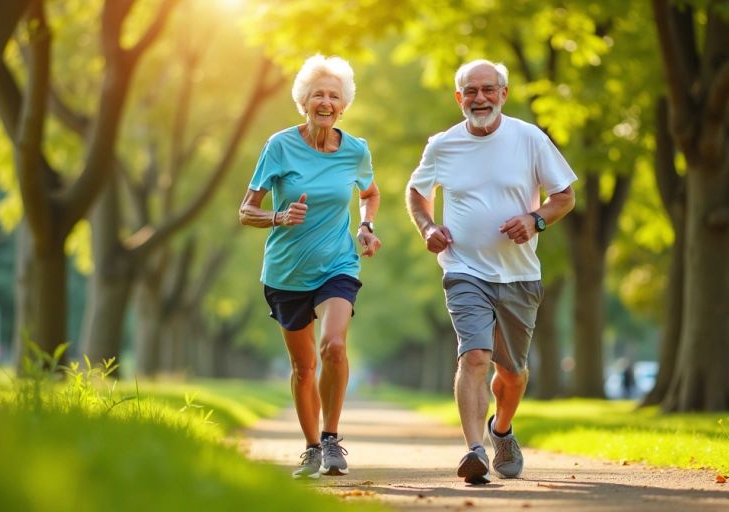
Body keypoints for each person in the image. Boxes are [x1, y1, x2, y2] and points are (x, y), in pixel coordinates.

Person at [405, 59, 576, 484]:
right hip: (464, 269)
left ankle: (501, 430)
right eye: (470, 91)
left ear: (503, 93)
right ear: (458, 97)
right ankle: (474, 450)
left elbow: (565, 195)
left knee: (513, 373)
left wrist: (535, 220)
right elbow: (416, 191)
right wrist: (428, 227)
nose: (479, 98)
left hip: (519, 274)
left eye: (487, 89)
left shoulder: (530, 138)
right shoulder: (442, 145)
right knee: (475, 355)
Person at [238, 54, 382, 479]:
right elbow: (246, 210)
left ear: (343, 105)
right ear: (304, 101)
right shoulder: (279, 146)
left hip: (337, 264)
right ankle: (311, 448)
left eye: (333, 95)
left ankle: (333, 439)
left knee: (333, 345)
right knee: (303, 369)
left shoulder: (355, 150)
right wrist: (278, 217)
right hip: (285, 272)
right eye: (317, 93)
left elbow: (370, 192)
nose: (325, 101)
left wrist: (367, 226)